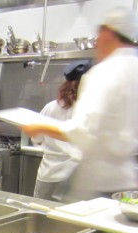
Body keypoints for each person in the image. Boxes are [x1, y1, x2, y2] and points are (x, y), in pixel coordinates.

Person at [22, 7, 138, 202]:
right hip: (127, 181)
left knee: (78, 232)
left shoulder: (105, 72)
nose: (97, 42)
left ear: (107, 33)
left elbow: (83, 131)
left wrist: (40, 126)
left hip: (95, 184)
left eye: (98, 35)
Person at [32, 61, 91, 201]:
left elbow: (37, 138)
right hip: (75, 177)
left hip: (49, 173)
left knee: (42, 216)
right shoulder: (88, 111)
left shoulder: (51, 107)